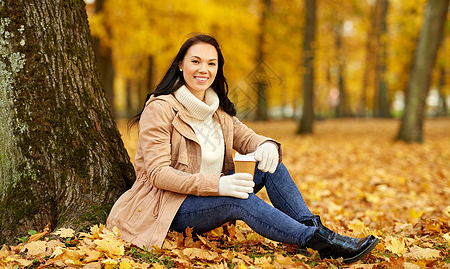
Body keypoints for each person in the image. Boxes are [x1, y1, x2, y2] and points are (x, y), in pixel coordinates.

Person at [106, 33, 379, 264]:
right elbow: (158, 174)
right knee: (239, 199)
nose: (204, 69)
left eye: (211, 63)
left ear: (217, 69)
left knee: (270, 165)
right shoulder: (161, 108)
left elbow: (248, 139)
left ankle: (316, 230)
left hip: (213, 193)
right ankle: (317, 243)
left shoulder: (218, 110)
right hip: (168, 206)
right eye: (196, 61)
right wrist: (219, 185)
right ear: (180, 64)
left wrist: (267, 145)